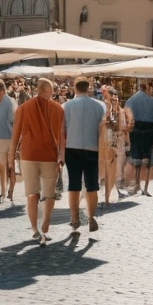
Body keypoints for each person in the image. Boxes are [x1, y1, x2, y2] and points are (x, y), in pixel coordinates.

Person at [8, 78, 64, 245]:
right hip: (49, 155)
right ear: (48, 91)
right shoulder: (58, 109)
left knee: (32, 193)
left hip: (29, 155)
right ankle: (45, 224)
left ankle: (34, 228)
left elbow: (16, 133)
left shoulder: (23, 108)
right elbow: (62, 135)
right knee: (49, 194)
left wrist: (11, 156)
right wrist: (61, 155)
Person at [61, 78, 106, 234]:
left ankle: (74, 218)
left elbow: (63, 129)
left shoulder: (66, 106)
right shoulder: (100, 106)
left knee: (74, 184)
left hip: (71, 147)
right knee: (92, 184)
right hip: (92, 147)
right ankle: (91, 216)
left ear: (75, 88)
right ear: (89, 88)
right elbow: (102, 129)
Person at [124, 83, 153, 196]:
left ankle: (137, 184)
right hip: (150, 130)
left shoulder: (131, 100)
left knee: (136, 158)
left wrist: (128, 128)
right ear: (147, 89)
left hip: (137, 129)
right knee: (147, 157)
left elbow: (130, 117)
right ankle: (146, 187)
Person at [99, 89, 129, 206]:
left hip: (116, 142)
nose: (114, 101)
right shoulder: (104, 109)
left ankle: (110, 195)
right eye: (112, 98)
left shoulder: (119, 111)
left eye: (116, 98)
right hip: (106, 142)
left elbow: (123, 126)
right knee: (107, 169)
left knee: (116, 168)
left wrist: (126, 140)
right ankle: (106, 195)